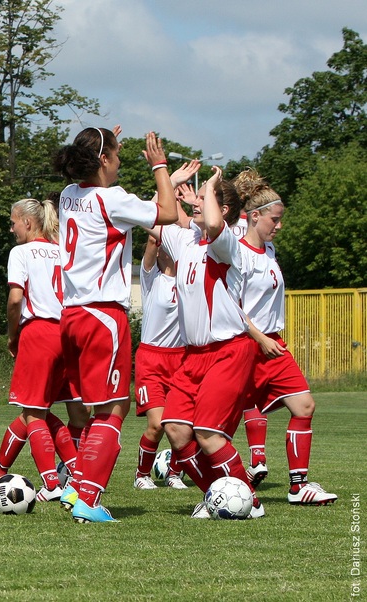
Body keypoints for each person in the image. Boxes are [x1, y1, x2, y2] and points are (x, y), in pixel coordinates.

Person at [53, 128, 178, 523]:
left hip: (71, 314)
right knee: (115, 408)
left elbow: (91, 177)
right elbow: (170, 214)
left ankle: (76, 486)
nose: (122, 160)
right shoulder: (114, 199)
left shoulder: (69, 194)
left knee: (95, 409)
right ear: (103, 159)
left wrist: (99, 140)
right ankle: (88, 498)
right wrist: (159, 166)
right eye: (118, 154)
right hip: (103, 314)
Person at [155, 166, 264, 519]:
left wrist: (214, 184)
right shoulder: (187, 241)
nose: (195, 202)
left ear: (224, 208)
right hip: (193, 356)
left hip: (228, 351)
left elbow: (215, 226)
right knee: (174, 429)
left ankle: (250, 502)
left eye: (203, 198)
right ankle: (217, 496)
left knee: (207, 434)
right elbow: (153, 216)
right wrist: (164, 177)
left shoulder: (228, 243)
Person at [235, 168, 337, 506]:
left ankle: (298, 486)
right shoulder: (236, 253)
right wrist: (259, 337)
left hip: (273, 346)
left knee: (304, 405)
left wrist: (269, 339)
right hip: (245, 347)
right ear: (254, 216)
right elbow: (229, 307)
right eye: (274, 220)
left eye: (280, 220)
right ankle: (200, 477)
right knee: (215, 424)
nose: (278, 226)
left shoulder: (270, 252)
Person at [0, 197, 68, 502]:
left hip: (38, 332)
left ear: (28, 223)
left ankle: (52, 483)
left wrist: (12, 335)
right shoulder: (62, 250)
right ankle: (74, 473)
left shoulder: (21, 252)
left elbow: (15, 299)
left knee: (34, 414)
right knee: (40, 411)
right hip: (66, 332)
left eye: (13, 222)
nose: (11, 229)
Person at [132, 173, 199, 491]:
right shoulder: (150, 277)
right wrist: (168, 184)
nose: (164, 249)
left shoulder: (187, 276)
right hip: (151, 358)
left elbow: (187, 232)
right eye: (159, 246)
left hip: (181, 359)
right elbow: (155, 220)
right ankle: (141, 474)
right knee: (157, 424)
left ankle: (174, 473)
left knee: (181, 423)